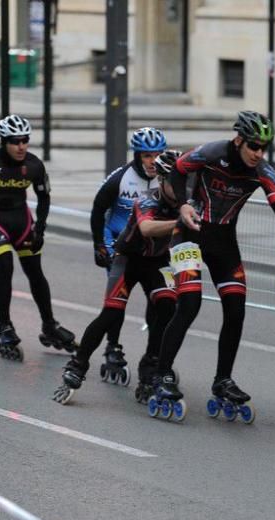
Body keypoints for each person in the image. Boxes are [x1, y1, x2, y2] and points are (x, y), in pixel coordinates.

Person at [150, 110, 275, 422]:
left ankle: (222, 379)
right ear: (238, 139)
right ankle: (161, 374)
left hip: (224, 242)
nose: (258, 153)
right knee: (189, 305)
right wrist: (184, 204)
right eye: (253, 145)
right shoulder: (214, 152)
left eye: (263, 147)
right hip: (190, 233)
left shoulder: (262, 170)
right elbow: (178, 171)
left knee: (236, 310)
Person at [53, 150, 181, 405]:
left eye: (184, 182)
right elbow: (146, 228)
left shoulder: (186, 202)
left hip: (158, 261)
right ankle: (77, 365)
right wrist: (181, 223)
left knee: (167, 307)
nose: (181, 189)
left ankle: (151, 365)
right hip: (128, 259)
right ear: (163, 182)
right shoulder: (148, 199)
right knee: (111, 313)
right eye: (175, 182)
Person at [0, 114, 77, 361]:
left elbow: (44, 198)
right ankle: (5, 327)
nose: (21, 146)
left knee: (35, 271)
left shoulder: (34, 165)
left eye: (25, 140)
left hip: (21, 219)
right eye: (15, 141)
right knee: (5, 266)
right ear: (4, 142)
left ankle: (49, 325)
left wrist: (40, 229)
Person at [89, 126, 167, 383]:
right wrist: (99, 245)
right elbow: (98, 210)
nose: (153, 161)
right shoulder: (120, 178)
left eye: (157, 155)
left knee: (157, 299)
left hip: (149, 248)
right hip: (118, 243)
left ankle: (154, 352)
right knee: (117, 301)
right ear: (137, 155)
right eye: (146, 156)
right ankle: (112, 346)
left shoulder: (166, 178)